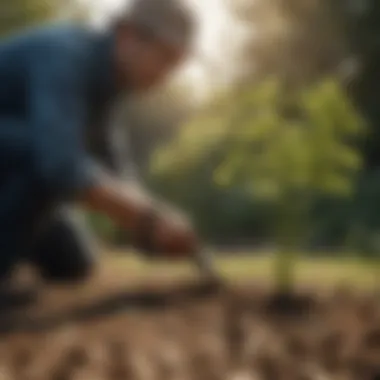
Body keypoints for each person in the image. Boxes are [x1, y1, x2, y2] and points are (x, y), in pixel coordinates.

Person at [0, 0, 200, 286]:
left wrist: (152, 221)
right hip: (25, 157)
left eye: (176, 65)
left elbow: (112, 165)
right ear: (128, 35)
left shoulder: (108, 86)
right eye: (165, 57)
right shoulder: (64, 55)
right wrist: (147, 219)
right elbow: (60, 165)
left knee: (72, 262)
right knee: (42, 151)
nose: (166, 75)